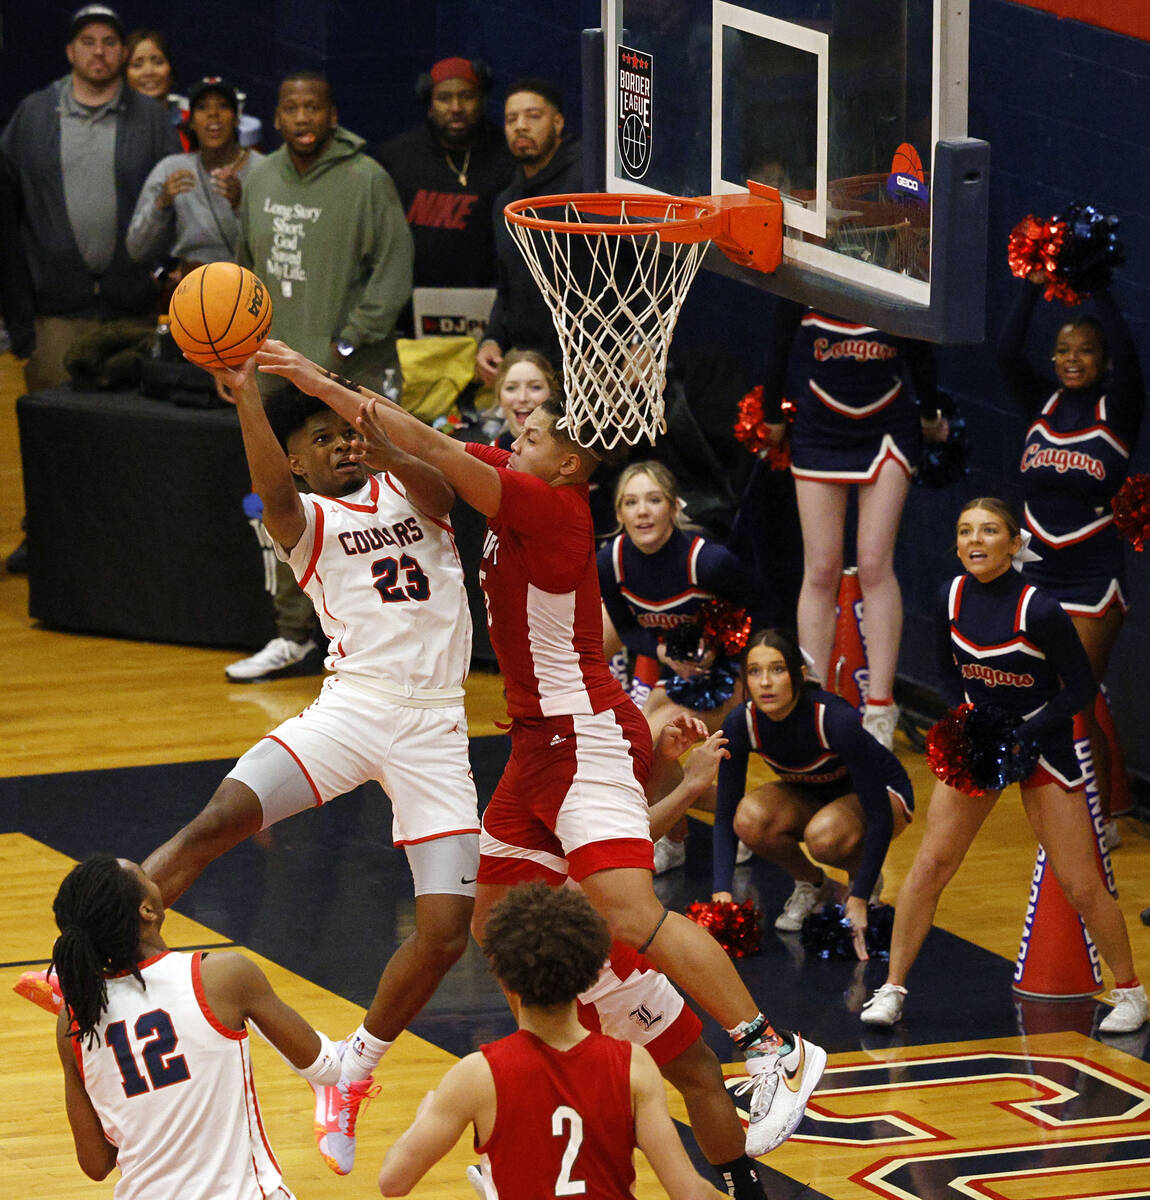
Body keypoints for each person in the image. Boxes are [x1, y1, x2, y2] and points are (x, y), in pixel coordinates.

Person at [255, 339, 828, 1162]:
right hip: (535, 746)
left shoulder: (546, 503)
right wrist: (364, 428)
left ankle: (772, 1048)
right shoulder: (528, 478)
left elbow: (439, 450)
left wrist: (314, 381)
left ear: (567, 462)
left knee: (631, 908)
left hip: (583, 732)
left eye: (531, 436)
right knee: (492, 916)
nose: (514, 433)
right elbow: (421, 443)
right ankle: (608, 996)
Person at [139, 355, 480, 1176]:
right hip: (355, 706)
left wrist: (381, 437)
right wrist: (250, 397)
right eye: (320, 440)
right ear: (296, 458)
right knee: (215, 821)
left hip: (435, 726)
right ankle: (96, 961)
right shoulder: (306, 521)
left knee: (444, 932)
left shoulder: (410, 491)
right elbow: (275, 496)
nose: (339, 446)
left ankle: (352, 1068)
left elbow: (441, 489)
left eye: (343, 434)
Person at [861, 498, 1147, 1034]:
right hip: (980, 746)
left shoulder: (1039, 608)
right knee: (929, 867)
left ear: (1014, 544)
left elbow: (1081, 689)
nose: (975, 540)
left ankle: (1131, 991)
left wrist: (1025, 734)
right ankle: (893, 987)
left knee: (1081, 881)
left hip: (1042, 745)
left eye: (989, 531)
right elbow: (947, 668)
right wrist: (964, 719)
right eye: (965, 530)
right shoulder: (951, 594)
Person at [226, 69, 414, 684]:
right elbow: (245, 273)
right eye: (291, 108)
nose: (303, 118)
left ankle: (383, 640)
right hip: (279, 378)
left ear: (332, 115)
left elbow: (393, 269)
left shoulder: (366, 178)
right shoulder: (259, 177)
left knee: (377, 510)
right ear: (276, 118)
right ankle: (292, 634)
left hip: (349, 375)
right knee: (275, 505)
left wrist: (344, 342)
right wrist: (240, 349)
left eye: (314, 108)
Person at [377, 882, 730, 1200]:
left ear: (503, 974)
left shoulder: (475, 1076)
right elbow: (689, 1193)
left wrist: (422, 1121)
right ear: (591, 970)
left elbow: (392, 1183)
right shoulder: (633, 1066)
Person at [52, 854, 343, 1199]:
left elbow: (95, 1162)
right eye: (145, 875)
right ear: (146, 911)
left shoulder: (73, 1020)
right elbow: (326, 1067)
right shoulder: (222, 976)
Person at [756, 300, 949, 749]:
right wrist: (771, 415)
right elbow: (778, 346)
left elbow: (922, 353)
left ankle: (880, 707)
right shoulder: (805, 281)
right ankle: (812, 702)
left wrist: (930, 414)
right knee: (821, 568)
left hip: (887, 428)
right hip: (819, 427)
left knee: (874, 563)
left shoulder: (898, 280)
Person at [995, 271, 1144, 844]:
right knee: (1040, 693)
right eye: (1063, 350)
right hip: (1037, 569)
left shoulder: (1120, 405)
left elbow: (1129, 356)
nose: (1071, 359)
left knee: (1076, 697)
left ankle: (1101, 818)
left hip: (1092, 576)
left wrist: (1101, 287)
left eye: (1085, 351)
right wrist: (1034, 284)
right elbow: (1007, 350)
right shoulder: (1044, 400)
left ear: (1102, 360)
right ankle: (1065, 804)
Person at [0, 4, 181, 391]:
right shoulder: (33, 115)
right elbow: (6, 217)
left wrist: (157, 280)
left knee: (130, 434)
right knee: (58, 437)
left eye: (109, 42)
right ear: (70, 52)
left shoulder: (151, 120)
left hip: (133, 313)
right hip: (54, 318)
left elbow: (176, 212)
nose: (98, 51)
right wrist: (18, 317)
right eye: (88, 42)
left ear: (122, 52)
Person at [600, 461, 759, 874]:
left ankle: (720, 825)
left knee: (647, 748)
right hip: (679, 674)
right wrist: (662, 650)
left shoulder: (709, 562)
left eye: (654, 500)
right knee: (637, 750)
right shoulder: (610, 562)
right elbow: (627, 628)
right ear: (619, 514)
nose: (642, 512)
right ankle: (719, 821)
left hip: (733, 674)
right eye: (631, 503)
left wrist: (723, 650)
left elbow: (764, 614)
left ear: (674, 506)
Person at [712, 629, 913, 951]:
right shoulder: (741, 722)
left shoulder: (834, 718)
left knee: (825, 835)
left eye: (777, 669)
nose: (765, 682)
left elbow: (878, 817)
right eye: (755, 671)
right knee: (748, 817)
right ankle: (811, 883)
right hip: (814, 795)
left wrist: (859, 895)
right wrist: (721, 893)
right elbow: (724, 817)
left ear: (799, 675)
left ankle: (865, 876)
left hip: (883, 796)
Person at [372, 56, 514, 307]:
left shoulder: (508, 157)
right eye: (444, 98)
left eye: (467, 96)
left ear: (482, 100)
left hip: (489, 304)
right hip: (408, 307)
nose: (456, 107)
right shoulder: (397, 157)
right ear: (429, 104)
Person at [475, 78, 583, 384]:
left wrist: (643, 342)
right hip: (535, 366)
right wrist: (492, 338)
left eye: (533, 116)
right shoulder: (507, 203)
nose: (520, 126)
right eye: (511, 119)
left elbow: (644, 257)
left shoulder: (590, 180)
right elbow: (507, 287)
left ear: (558, 122)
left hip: (599, 361)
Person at [127, 77, 260, 278]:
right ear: (191, 122)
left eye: (223, 106)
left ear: (236, 119)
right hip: (190, 288)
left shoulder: (262, 170)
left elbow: (274, 250)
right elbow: (136, 250)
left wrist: (240, 206)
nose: (213, 114)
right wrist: (161, 205)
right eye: (202, 107)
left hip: (245, 285)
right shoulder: (170, 169)